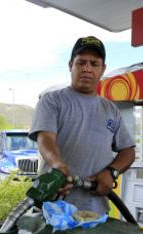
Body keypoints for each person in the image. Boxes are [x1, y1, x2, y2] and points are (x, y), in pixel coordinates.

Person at [29, 36, 136, 215]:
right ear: (71, 65)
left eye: (94, 64)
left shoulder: (110, 109)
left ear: (103, 69)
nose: (87, 69)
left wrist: (111, 173)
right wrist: (57, 164)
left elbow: (128, 151)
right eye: (81, 62)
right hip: (54, 206)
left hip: (95, 210)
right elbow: (45, 137)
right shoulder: (53, 100)